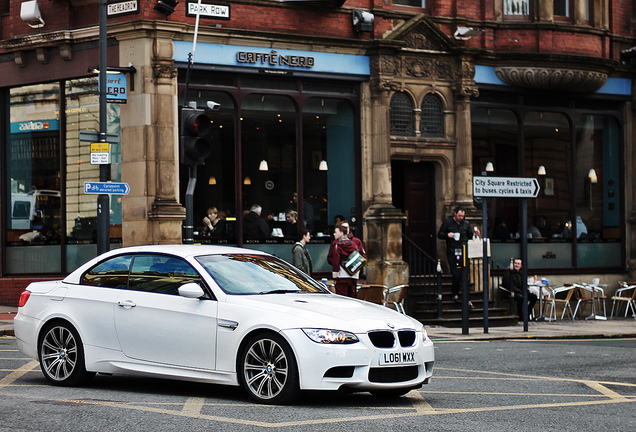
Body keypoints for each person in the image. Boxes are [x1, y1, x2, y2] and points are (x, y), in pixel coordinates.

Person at [437, 206, 478, 307]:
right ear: (455, 214)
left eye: (463, 216)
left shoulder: (466, 223)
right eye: (459, 215)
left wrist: (475, 234)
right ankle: (455, 293)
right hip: (452, 251)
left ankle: (466, 298)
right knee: (456, 274)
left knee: (465, 275)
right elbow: (440, 234)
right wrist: (448, 235)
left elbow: (470, 236)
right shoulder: (448, 222)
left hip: (464, 251)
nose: (461, 218)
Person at [327, 223, 365, 298]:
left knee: (342, 299)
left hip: (342, 276)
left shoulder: (337, 245)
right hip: (353, 275)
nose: (334, 234)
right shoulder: (354, 244)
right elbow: (360, 257)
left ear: (341, 233)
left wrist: (335, 277)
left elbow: (336, 261)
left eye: (336, 232)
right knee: (352, 298)